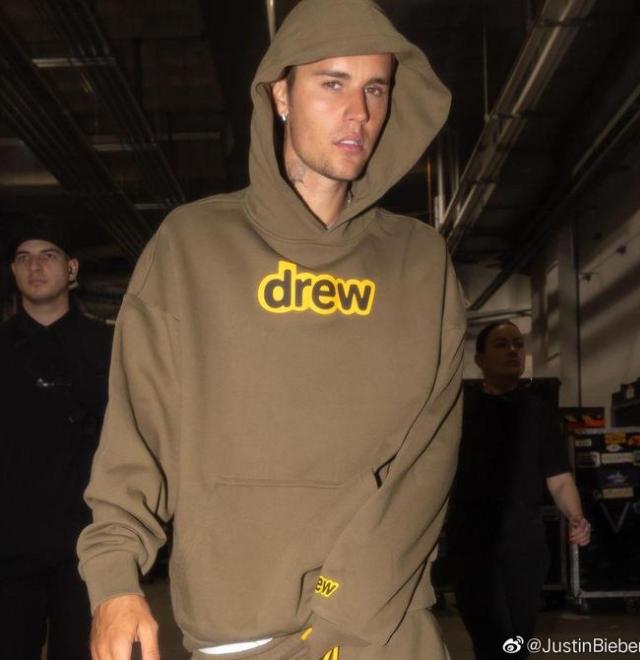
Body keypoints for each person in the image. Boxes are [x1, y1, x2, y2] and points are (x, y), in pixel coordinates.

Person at [78, 1, 466, 659]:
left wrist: (347, 601)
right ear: (281, 95)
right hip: (240, 626)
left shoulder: (420, 260)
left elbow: (434, 450)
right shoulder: (193, 245)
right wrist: (113, 579)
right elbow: (138, 433)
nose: (359, 112)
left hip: (383, 625)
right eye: (333, 83)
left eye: (376, 88)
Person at [0, 215, 113, 660]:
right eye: (23, 258)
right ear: (13, 270)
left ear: (71, 268)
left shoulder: (108, 348)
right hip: (8, 550)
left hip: (85, 549)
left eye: (47, 255)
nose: (35, 266)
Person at [446, 321, 591, 660]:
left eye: (517, 344)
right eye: (501, 344)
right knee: (494, 641)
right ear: (479, 359)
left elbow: (559, 477)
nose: (513, 351)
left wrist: (576, 516)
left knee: (517, 644)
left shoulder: (538, 412)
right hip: (472, 542)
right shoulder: (459, 410)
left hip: (525, 544)